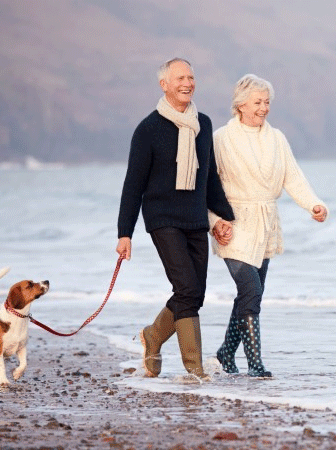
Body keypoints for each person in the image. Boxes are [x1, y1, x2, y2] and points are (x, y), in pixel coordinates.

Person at [116, 57, 236, 381]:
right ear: (164, 84)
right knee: (186, 286)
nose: (187, 83)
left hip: (195, 218)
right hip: (162, 218)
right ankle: (195, 369)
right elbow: (133, 184)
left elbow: (209, 179)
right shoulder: (148, 130)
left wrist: (225, 218)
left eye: (191, 77)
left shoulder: (204, 125)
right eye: (180, 78)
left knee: (194, 293)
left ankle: (153, 336)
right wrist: (124, 233)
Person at [208, 74, 328, 378]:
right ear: (241, 104)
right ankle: (255, 364)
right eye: (258, 102)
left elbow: (293, 177)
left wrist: (313, 204)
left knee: (251, 294)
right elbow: (209, 184)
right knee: (250, 289)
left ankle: (224, 355)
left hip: (265, 222)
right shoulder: (222, 138)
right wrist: (214, 221)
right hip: (232, 223)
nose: (264, 108)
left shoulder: (277, 138)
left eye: (267, 102)